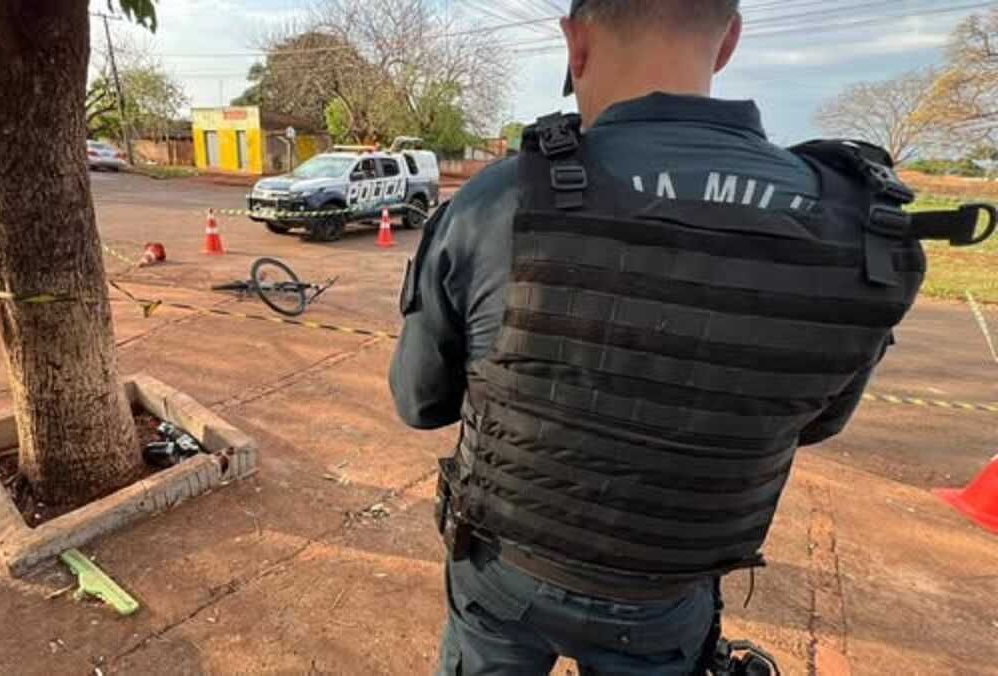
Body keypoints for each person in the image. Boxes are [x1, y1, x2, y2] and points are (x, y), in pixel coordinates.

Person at [387, 0, 981, 673]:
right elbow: (813, 422)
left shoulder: (497, 202)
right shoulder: (862, 226)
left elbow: (419, 402)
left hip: (504, 576)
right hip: (666, 600)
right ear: (727, 41)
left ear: (575, 45)